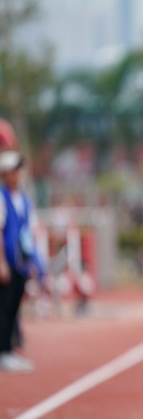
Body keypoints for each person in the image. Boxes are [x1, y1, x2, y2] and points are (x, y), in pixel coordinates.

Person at [0, 150, 44, 372]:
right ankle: (3, 351)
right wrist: (1, 262)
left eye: (19, 169)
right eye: (14, 170)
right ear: (5, 173)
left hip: (21, 261)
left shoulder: (25, 200)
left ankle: (8, 350)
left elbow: (29, 232)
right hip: (7, 261)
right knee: (4, 307)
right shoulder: (1, 197)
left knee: (15, 307)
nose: (19, 174)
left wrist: (34, 260)